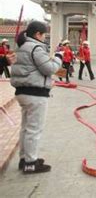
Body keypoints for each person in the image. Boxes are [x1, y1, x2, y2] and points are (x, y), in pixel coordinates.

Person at [10, 21, 62, 174]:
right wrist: (58, 56)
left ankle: (24, 159)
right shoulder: (36, 48)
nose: (44, 37)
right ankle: (31, 163)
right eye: (44, 34)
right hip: (35, 94)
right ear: (38, 34)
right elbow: (50, 69)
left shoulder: (21, 46)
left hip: (22, 92)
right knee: (34, 129)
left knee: (26, 127)